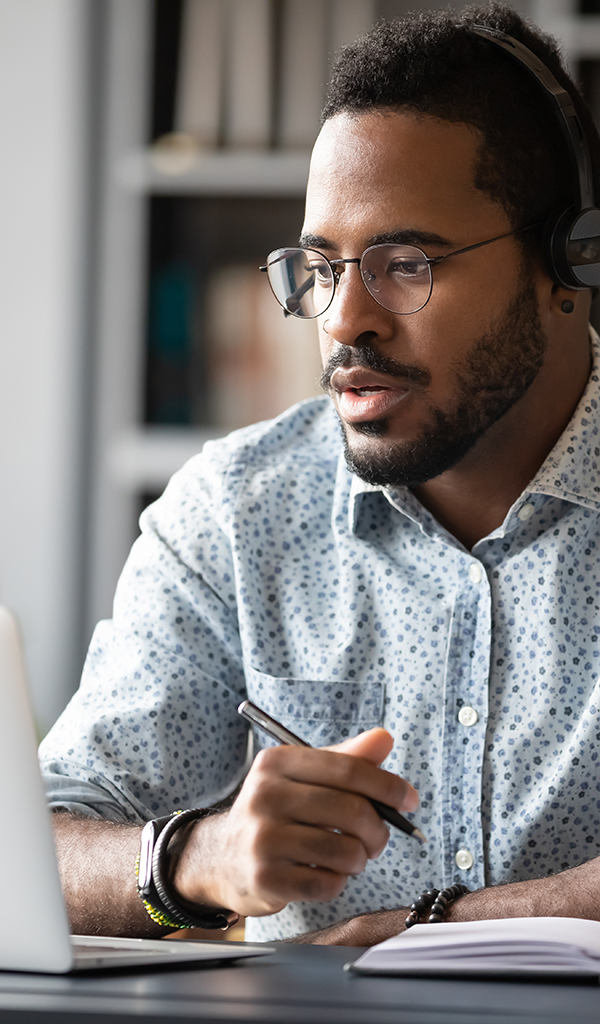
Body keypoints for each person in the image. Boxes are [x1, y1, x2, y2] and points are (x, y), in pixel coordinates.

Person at [40, 2, 600, 945]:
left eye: (406, 263)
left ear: (567, 263)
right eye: (321, 266)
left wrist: (431, 930)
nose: (343, 320)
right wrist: (195, 859)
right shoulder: (237, 512)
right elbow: (33, 850)